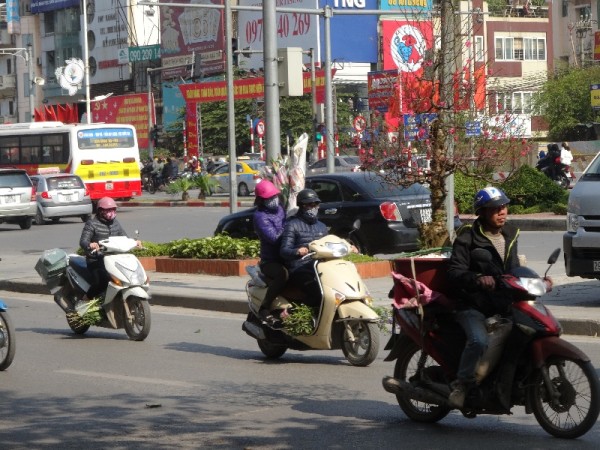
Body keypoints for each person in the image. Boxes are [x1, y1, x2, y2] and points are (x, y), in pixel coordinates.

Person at [446, 187, 521, 408]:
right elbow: (454, 272)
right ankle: (462, 385)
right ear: (482, 212)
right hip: (472, 304)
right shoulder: (468, 236)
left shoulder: (511, 233)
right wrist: (477, 278)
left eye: (504, 207)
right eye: (495, 209)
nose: (502, 212)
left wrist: (537, 281)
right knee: (478, 340)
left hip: (502, 302)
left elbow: (514, 268)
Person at [79, 197, 140, 299]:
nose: (111, 212)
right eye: (107, 210)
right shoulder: (92, 224)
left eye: (113, 209)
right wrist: (90, 245)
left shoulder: (115, 223)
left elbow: (124, 238)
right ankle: (86, 299)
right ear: (100, 211)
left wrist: (134, 242)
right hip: (96, 260)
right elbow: (83, 241)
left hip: (113, 259)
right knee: (102, 281)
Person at [279, 189, 329, 308]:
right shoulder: (292, 224)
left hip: (319, 268)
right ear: (302, 206)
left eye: (316, 204)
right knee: (318, 292)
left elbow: (329, 245)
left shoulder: (322, 226)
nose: (314, 207)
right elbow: (284, 251)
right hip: (300, 269)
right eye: (310, 205)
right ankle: (306, 316)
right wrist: (297, 251)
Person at [253, 180, 288, 324]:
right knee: (283, 274)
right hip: (271, 260)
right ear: (262, 200)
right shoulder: (260, 216)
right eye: (269, 198)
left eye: (274, 196)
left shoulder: (280, 209)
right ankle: (265, 308)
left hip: (286, 254)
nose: (274, 200)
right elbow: (273, 238)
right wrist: (289, 230)